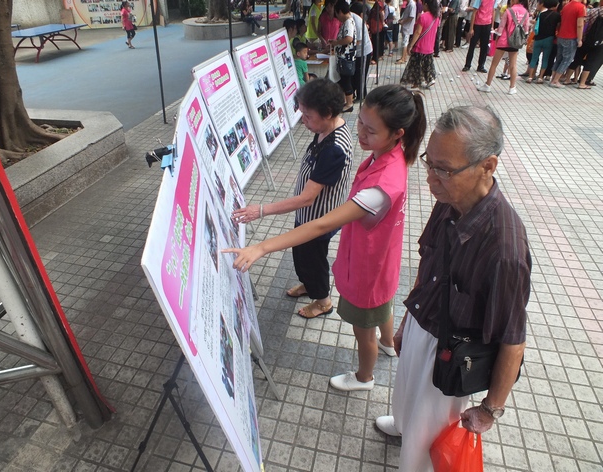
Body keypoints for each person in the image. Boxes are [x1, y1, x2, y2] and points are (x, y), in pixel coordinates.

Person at [226, 85, 427, 393]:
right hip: (381, 259)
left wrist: (262, 246)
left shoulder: (382, 185)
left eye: (370, 130)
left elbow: (319, 226)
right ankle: (389, 344)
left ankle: (364, 378)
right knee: (382, 306)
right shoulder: (387, 155)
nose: (360, 132)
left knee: (363, 331)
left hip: (368, 266)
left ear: (398, 133)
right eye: (359, 121)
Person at [376, 105, 532, 471]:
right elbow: (429, 264)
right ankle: (401, 425)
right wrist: (405, 324)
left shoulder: (505, 249)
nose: (430, 178)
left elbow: (513, 337)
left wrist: (490, 408)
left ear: (488, 166)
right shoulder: (449, 200)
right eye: (429, 163)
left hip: (452, 349)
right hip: (422, 323)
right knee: (405, 395)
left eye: (443, 170)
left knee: (426, 437)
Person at [232, 79, 352, 319]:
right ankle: (310, 285)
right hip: (308, 216)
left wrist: (262, 210)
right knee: (302, 255)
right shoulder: (326, 129)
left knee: (313, 259)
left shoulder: (334, 148)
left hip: (319, 219)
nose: (302, 120)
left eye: (307, 116)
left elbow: (307, 198)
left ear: (328, 113)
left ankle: (323, 301)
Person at [477, 0, 530, 94]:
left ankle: (487, 85)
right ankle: (512, 88)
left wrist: (497, 39)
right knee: (513, 65)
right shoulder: (526, 12)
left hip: (504, 40)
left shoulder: (509, 11)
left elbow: (501, 27)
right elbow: (526, 29)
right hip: (515, 42)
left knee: (494, 64)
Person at [401, 0, 442, 88]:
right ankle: (430, 79)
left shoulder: (423, 17)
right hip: (430, 46)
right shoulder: (436, 17)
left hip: (420, 46)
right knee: (427, 64)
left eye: (423, 4)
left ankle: (416, 83)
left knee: (416, 65)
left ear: (426, 5)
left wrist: (411, 45)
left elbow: (418, 32)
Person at [549, 0, 587, 87]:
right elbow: (580, 25)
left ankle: (553, 79)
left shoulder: (566, 5)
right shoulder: (581, 7)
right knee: (567, 60)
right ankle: (555, 81)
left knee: (559, 58)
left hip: (561, 35)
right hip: (571, 37)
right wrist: (580, 39)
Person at [330, 1, 357, 112]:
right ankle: (346, 101)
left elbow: (349, 38)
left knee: (346, 81)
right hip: (344, 57)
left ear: (340, 12)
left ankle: (349, 104)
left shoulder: (348, 22)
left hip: (346, 57)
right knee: (343, 80)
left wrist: (336, 42)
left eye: (337, 14)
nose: (337, 17)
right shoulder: (348, 22)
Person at [526, 0, 561, 83]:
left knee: (534, 58)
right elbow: (558, 26)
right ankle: (540, 77)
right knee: (545, 59)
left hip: (538, 38)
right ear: (555, 5)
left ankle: (530, 77)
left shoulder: (541, 14)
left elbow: (536, 26)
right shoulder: (557, 15)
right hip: (549, 39)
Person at [462, 0, 496, 72]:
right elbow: (474, 12)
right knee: (472, 45)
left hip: (487, 24)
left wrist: (492, 26)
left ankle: (481, 66)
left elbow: (493, 11)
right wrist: (471, 28)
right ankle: (467, 65)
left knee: (484, 47)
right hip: (477, 24)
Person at [350, 1, 374, 99]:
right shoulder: (352, 19)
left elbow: (358, 41)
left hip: (364, 51)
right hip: (356, 52)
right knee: (356, 74)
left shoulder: (358, 21)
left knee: (361, 74)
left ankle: (362, 95)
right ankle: (356, 93)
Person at [577, 3, 603, 88]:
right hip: (599, 42)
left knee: (578, 58)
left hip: (586, 38)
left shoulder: (593, 11)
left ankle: (568, 78)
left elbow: (584, 22)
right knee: (592, 61)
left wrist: (581, 37)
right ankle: (585, 80)